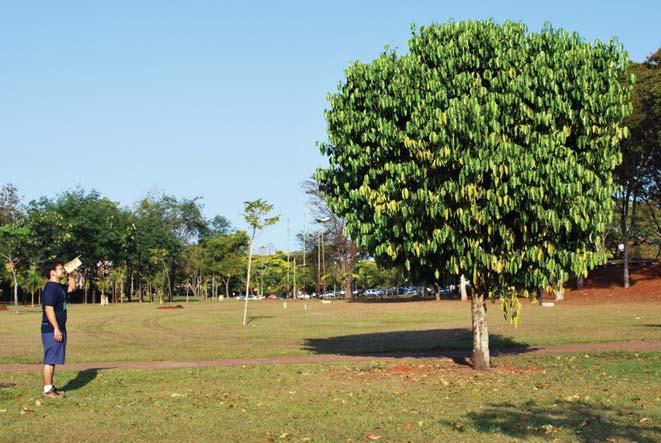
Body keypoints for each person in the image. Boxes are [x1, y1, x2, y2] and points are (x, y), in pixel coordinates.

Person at [40, 260, 77, 398]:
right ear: (52, 272)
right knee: (50, 359)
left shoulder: (59, 287)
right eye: (60, 269)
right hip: (51, 329)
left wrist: (72, 273)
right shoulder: (50, 288)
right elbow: (48, 309)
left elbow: (72, 288)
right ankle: (47, 390)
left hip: (59, 328)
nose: (63, 271)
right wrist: (56, 328)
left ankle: (50, 387)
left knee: (53, 358)